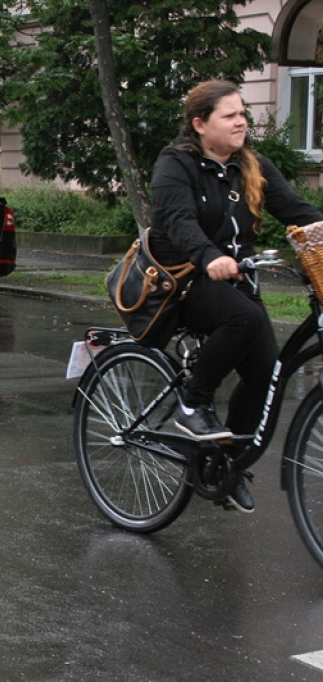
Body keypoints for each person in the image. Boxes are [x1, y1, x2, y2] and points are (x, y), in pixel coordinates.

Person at [149, 78, 323, 512]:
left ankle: (227, 466)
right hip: (185, 278)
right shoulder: (175, 163)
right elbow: (178, 221)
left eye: (242, 113)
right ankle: (193, 403)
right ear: (200, 124)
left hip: (236, 279)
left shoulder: (252, 165)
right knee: (244, 319)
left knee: (266, 371)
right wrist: (209, 257)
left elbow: (298, 211)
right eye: (229, 115)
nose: (241, 121)